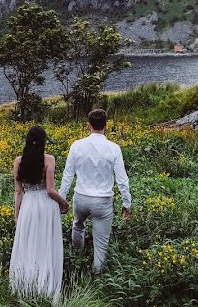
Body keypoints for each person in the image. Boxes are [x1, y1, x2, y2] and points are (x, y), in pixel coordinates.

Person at [59, 109, 132, 274]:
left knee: (78, 226)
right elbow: (122, 179)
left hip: (81, 197)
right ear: (106, 125)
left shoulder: (77, 145)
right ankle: (97, 277)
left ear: (89, 125)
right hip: (103, 201)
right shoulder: (113, 148)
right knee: (101, 243)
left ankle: (77, 260)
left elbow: (68, 175)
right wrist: (127, 203)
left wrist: (62, 198)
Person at [9, 125, 70, 300]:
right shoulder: (49, 159)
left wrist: (17, 215)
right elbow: (50, 190)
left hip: (28, 206)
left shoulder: (19, 161)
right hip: (46, 206)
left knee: (28, 244)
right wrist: (64, 202)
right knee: (46, 244)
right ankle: (47, 287)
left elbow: (19, 192)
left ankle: (25, 287)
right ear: (44, 142)